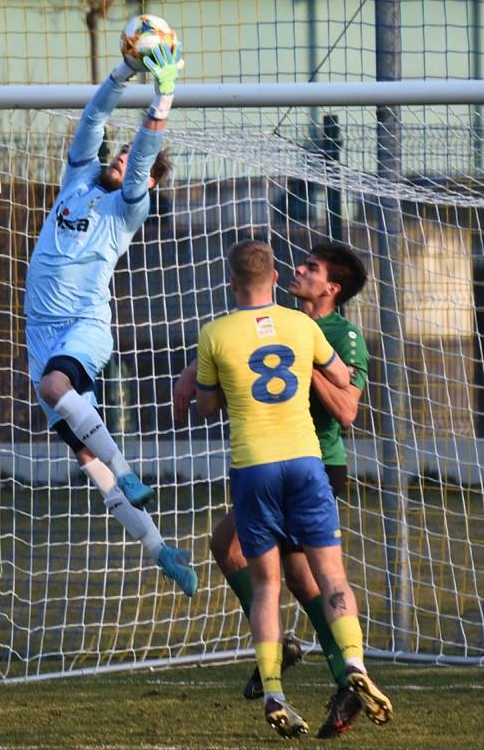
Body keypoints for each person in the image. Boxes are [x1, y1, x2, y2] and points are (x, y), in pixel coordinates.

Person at [193, 239, 392, 738]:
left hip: (317, 462)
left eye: (312, 267)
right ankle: (332, 665)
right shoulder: (293, 324)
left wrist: (302, 369)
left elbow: (348, 410)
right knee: (231, 547)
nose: (300, 269)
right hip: (296, 463)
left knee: (294, 580)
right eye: (298, 265)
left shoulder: (339, 334)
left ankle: (328, 673)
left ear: (331, 288)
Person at [24, 38, 197, 598]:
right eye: (119, 155)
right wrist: (124, 69)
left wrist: (162, 97)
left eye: (132, 163)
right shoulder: (78, 176)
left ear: (146, 185)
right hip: (41, 333)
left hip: (83, 326)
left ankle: (127, 467)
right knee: (87, 464)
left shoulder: (130, 208)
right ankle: (159, 548)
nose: (123, 159)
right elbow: (95, 115)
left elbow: (146, 156)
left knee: (58, 388)